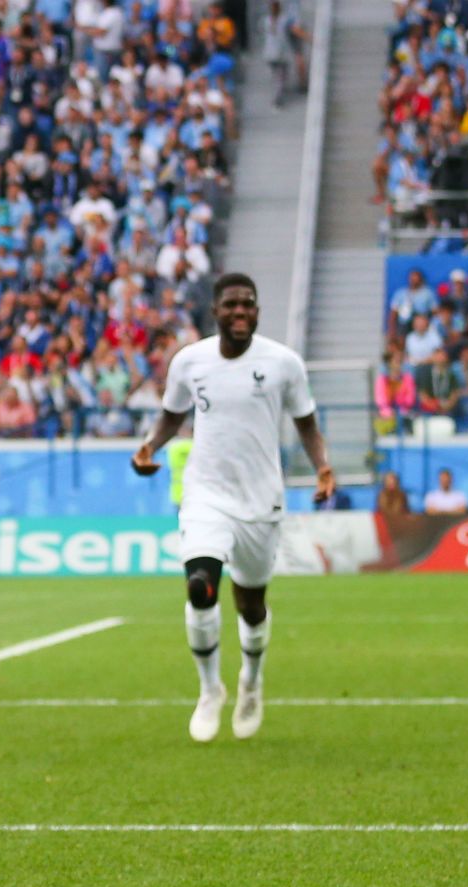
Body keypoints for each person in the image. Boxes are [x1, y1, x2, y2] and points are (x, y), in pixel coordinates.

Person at [132, 272, 332, 743]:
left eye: (249, 305)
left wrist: (322, 467)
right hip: (206, 495)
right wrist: (149, 447)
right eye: (232, 306)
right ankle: (208, 690)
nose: (240, 313)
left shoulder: (283, 363)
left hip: (261, 500)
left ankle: (251, 680)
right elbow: (172, 414)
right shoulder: (190, 362)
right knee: (200, 584)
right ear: (216, 311)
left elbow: (306, 422)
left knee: (251, 604)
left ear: (257, 311)